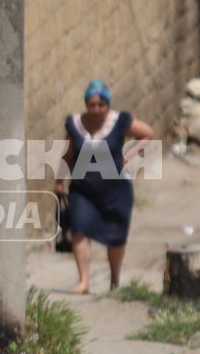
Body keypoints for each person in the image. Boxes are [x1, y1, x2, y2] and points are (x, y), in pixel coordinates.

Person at [53, 78, 155, 294]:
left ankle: (114, 282)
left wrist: (127, 156)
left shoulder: (119, 121)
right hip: (83, 189)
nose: (96, 109)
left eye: (101, 105)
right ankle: (84, 282)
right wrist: (59, 181)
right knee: (79, 229)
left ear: (108, 104)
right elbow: (68, 155)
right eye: (92, 104)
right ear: (86, 104)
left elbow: (147, 133)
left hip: (116, 190)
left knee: (116, 235)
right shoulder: (76, 125)